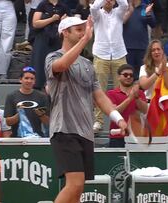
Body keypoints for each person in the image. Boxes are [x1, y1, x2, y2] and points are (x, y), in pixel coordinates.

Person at [45, 16, 127, 203]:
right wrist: (84, 41)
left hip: (85, 131)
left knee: (78, 188)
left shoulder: (88, 65)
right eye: (78, 30)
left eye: (84, 29)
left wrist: (118, 118)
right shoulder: (53, 56)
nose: (84, 33)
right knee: (74, 184)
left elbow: (99, 96)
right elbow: (62, 65)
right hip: (64, 128)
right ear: (65, 33)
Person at [90, 0, 129, 132]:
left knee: (122, 89)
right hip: (101, 54)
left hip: (119, 53)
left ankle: (121, 118)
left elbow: (125, 5)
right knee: (98, 88)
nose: (108, 1)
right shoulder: (97, 14)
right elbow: (94, 7)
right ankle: (98, 121)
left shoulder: (119, 13)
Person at [139, 39, 168, 136]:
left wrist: (164, 68)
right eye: (153, 50)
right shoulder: (144, 68)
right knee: (150, 137)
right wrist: (157, 72)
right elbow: (144, 85)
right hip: (149, 107)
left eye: (158, 49)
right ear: (150, 53)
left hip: (166, 107)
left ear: (163, 51)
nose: (156, 52)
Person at [31, 0, 71, 90]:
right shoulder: (42, 4)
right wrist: (51, 19)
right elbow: (35, 23)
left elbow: (70, 24)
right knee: (40, 63)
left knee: (57, 62)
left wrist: (64, 21)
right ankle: (39, 87)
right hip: (43, 38)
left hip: (58, 39)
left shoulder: (63, 5)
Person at [106, 64, 148, 147]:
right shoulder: (111, 93)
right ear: (118, 77)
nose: (128, 77)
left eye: (131, 75)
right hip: (117, 136)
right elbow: (114, 113)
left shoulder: (139, 93)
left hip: (136, 135)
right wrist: (130, 98)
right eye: (125, 75)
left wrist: (136, 98)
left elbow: (145, 110)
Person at [4, 67, 50, 138]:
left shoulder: (42, 96)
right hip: (17, 139)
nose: (29, 81)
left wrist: (41, 115)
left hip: (37, 138)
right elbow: (8, 122)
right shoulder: (11, 96)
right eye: (26, 78)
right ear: (20, 80)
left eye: (32, 79)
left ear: (35, 81)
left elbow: (48, 122)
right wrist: (20, 113)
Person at [123, 0, 156, 80]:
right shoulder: (123, 8)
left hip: (142, 47)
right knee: (128, 75)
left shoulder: (145, 8)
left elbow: (153, 24)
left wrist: (148, 14)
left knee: (143, 74)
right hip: (127, 47)